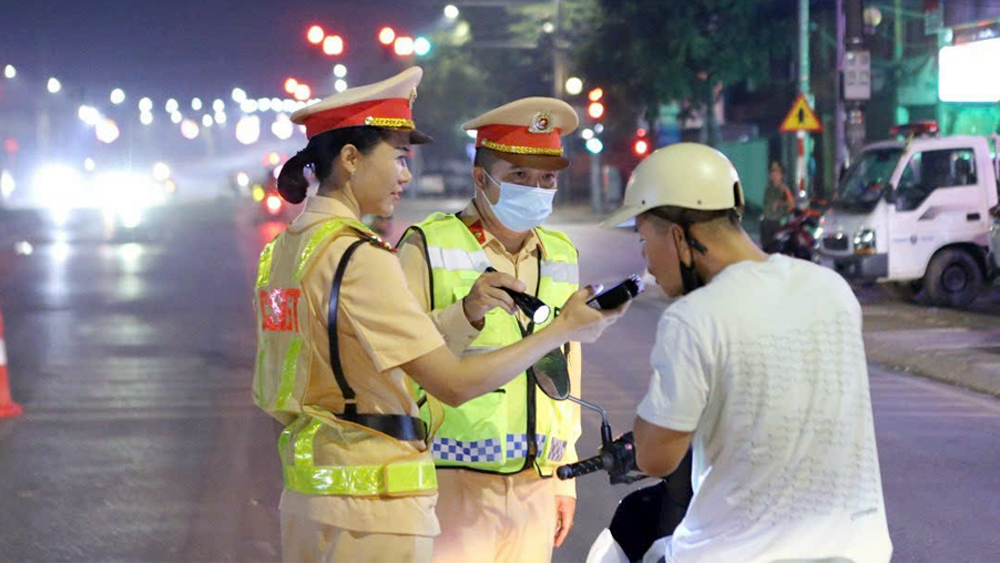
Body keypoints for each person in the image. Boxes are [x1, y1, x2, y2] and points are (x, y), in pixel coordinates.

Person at [252, 68, 626, 563]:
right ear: (349, 159)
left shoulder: (288, 250)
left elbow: (345, 363)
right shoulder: (367, 256)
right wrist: (563, 326)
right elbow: (445, 381)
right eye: (399, 157)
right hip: (382, 498)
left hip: (323, 490)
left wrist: (564, 475)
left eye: (547, 178)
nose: (406, 174)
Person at [600, 143, 892, 563]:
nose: (646, 262)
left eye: (644, 240)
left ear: (680, 237)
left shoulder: (694, 317)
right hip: (856, 550)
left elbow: (656, 457)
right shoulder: (832, 290)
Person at [397, 97, 583, 563]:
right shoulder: (428, 245)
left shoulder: (561, 255)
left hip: (536, 485)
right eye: (519, 175)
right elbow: (397, 360)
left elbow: (568, 368)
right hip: (450, 480)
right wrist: (467, 313)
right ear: (481, 178)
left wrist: (566, 476)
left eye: (547, 179)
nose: (536, 188)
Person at [759, 160, 794, 249]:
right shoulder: (768, 188)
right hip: (766, 221)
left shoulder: (783, 189)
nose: (774, 174)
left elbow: (791, 204)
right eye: (772, 172)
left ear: (781, 175)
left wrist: (780, 203)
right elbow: (765, 203)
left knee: (775, 248)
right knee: (765, 248)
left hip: (777, 223)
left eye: (776, 172)